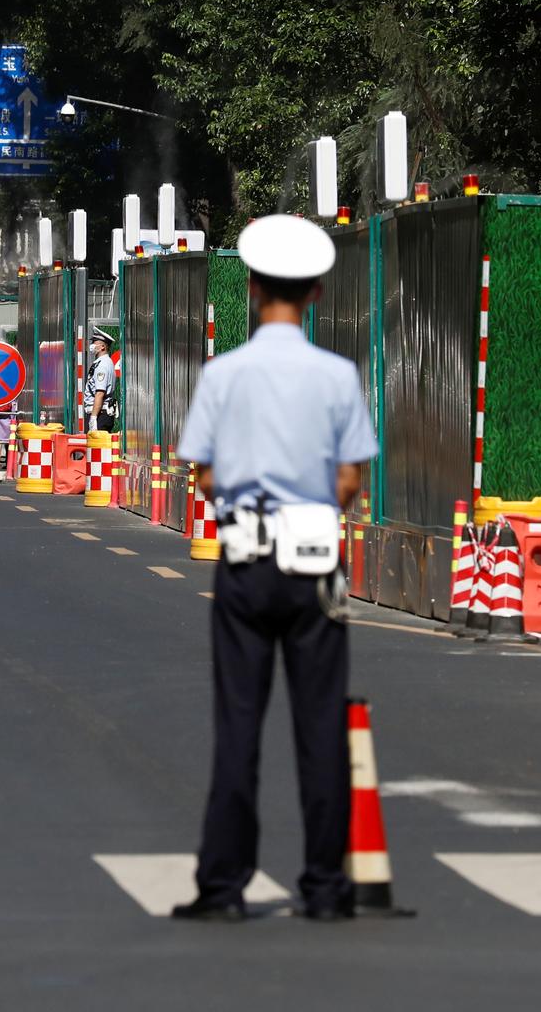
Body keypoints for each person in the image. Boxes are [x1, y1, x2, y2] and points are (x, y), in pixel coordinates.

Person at [169, 215, 378, 924]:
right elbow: (352, 477)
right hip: (318, 561)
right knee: (321, 727)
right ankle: (325, 886)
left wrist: (238, 492)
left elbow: (200, 473)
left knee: (238, 725)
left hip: (246, 558)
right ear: (316, 293)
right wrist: (316, 500)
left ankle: (223, 886)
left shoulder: (224, 373)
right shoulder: (338, 375)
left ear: (253, 289)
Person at [84, 328, 118, 434]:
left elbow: (100, 393)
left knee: (96, 449)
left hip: (100, 415)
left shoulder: (102, 365)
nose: (92, 345)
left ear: (103, 347)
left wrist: (93, 418)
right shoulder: (104, 362)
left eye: (95, 342)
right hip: (101, 413)